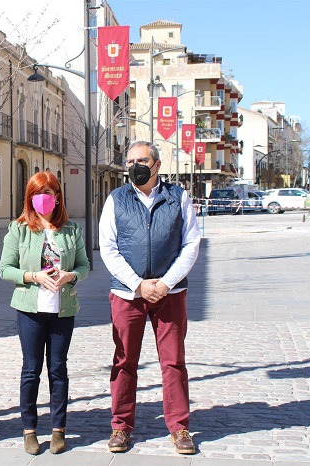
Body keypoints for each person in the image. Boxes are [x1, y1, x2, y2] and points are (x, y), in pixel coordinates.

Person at [98, 141, 201, 455]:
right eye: (129, 161)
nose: (134, 166)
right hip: (127, 294)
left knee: (173, 362)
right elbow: (109, 248)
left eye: (141, 160)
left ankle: (180, 428)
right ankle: (120, 427)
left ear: (156, 165)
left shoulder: (178, 198)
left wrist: (166, 283)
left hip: (170, 294)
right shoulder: (116, 199)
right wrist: (138, 284)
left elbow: (191, 244)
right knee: (124, 361)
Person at [0, 171, 90, 455]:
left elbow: (86, 266)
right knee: (31, 370)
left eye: (47, 194)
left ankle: (58, 429)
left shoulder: (72, 230)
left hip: (63, 310)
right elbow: (4, 268)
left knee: (58, 370)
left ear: (57, 197)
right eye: (37, 195)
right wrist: (33, 276)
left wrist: (70, 275)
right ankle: (29, 430)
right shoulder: (19, 229)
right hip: (30, 310)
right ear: (30, 199)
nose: (42, 200)